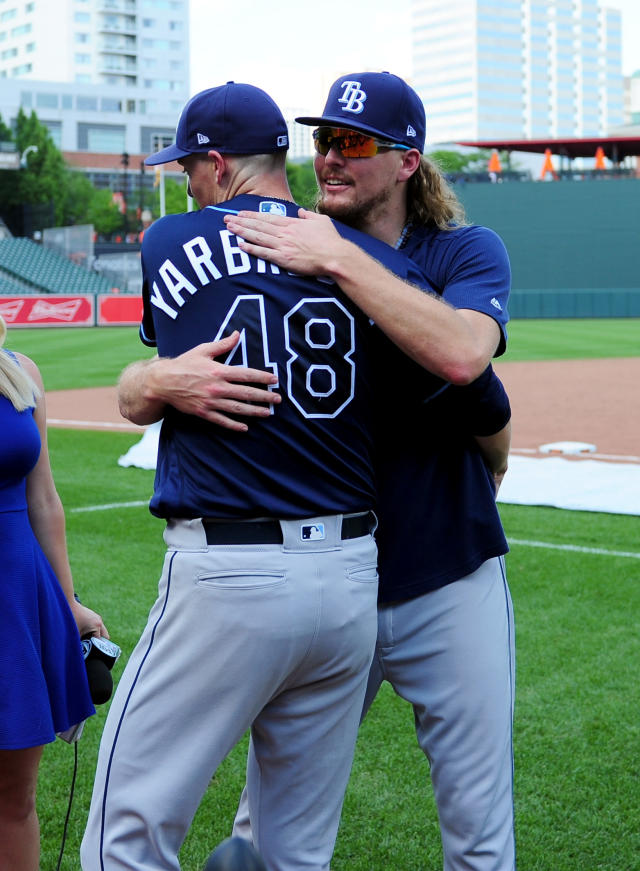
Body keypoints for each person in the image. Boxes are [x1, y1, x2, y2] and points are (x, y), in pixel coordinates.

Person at [80, 82, 439, 871]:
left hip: (230, 572)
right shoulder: (367, 258)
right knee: (292, 854)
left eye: (189, 168)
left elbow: (150, 380)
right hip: (348, 581)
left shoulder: (172, 240)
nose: (186, 182)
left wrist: (153, 380)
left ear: (217, 163)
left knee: (123, 836)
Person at [223, 72, 516, 871]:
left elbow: (462, 355)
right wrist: (142, 384)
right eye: (323, 141)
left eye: (352, 143)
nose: (330, 159)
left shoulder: (462, 250)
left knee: (480, 834)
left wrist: (343, 262)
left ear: (408, 161)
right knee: (267, 830)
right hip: (325, 581)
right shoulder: (290, 248)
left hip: (447, 574)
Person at [0, 315, 108, 871]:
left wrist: (67, 605)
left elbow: (44, 501)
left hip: (16, 599)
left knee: (14, 802)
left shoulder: (18, 372)